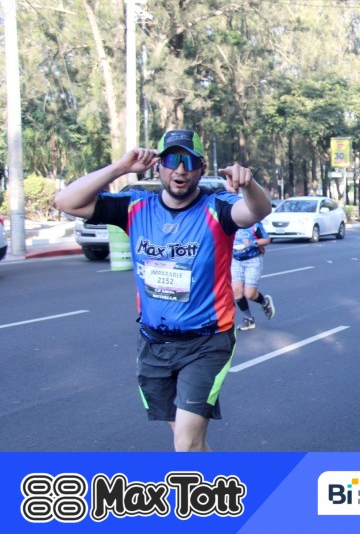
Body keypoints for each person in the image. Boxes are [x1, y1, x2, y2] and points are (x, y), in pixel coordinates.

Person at [53, 129, 271, 451]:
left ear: (201, 168)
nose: (180, 170)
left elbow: (257, 211)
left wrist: (248, 184)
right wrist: (120, 167)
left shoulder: (218, 207)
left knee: (186, 443)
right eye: (171, 161)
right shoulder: (135, 206)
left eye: (189, 162)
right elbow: (65, 202)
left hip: (206, 343)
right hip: (153, 343)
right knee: (189, 443)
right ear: (158, 166)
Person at [231, 220, 276, 330]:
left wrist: (252, 243)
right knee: (236, 291)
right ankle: (248, 319)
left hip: (253, 259)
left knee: (250, 294)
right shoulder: (231, 223)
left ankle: (264, 302)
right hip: (236, 260)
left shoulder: (254, 225)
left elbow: (267, 239)